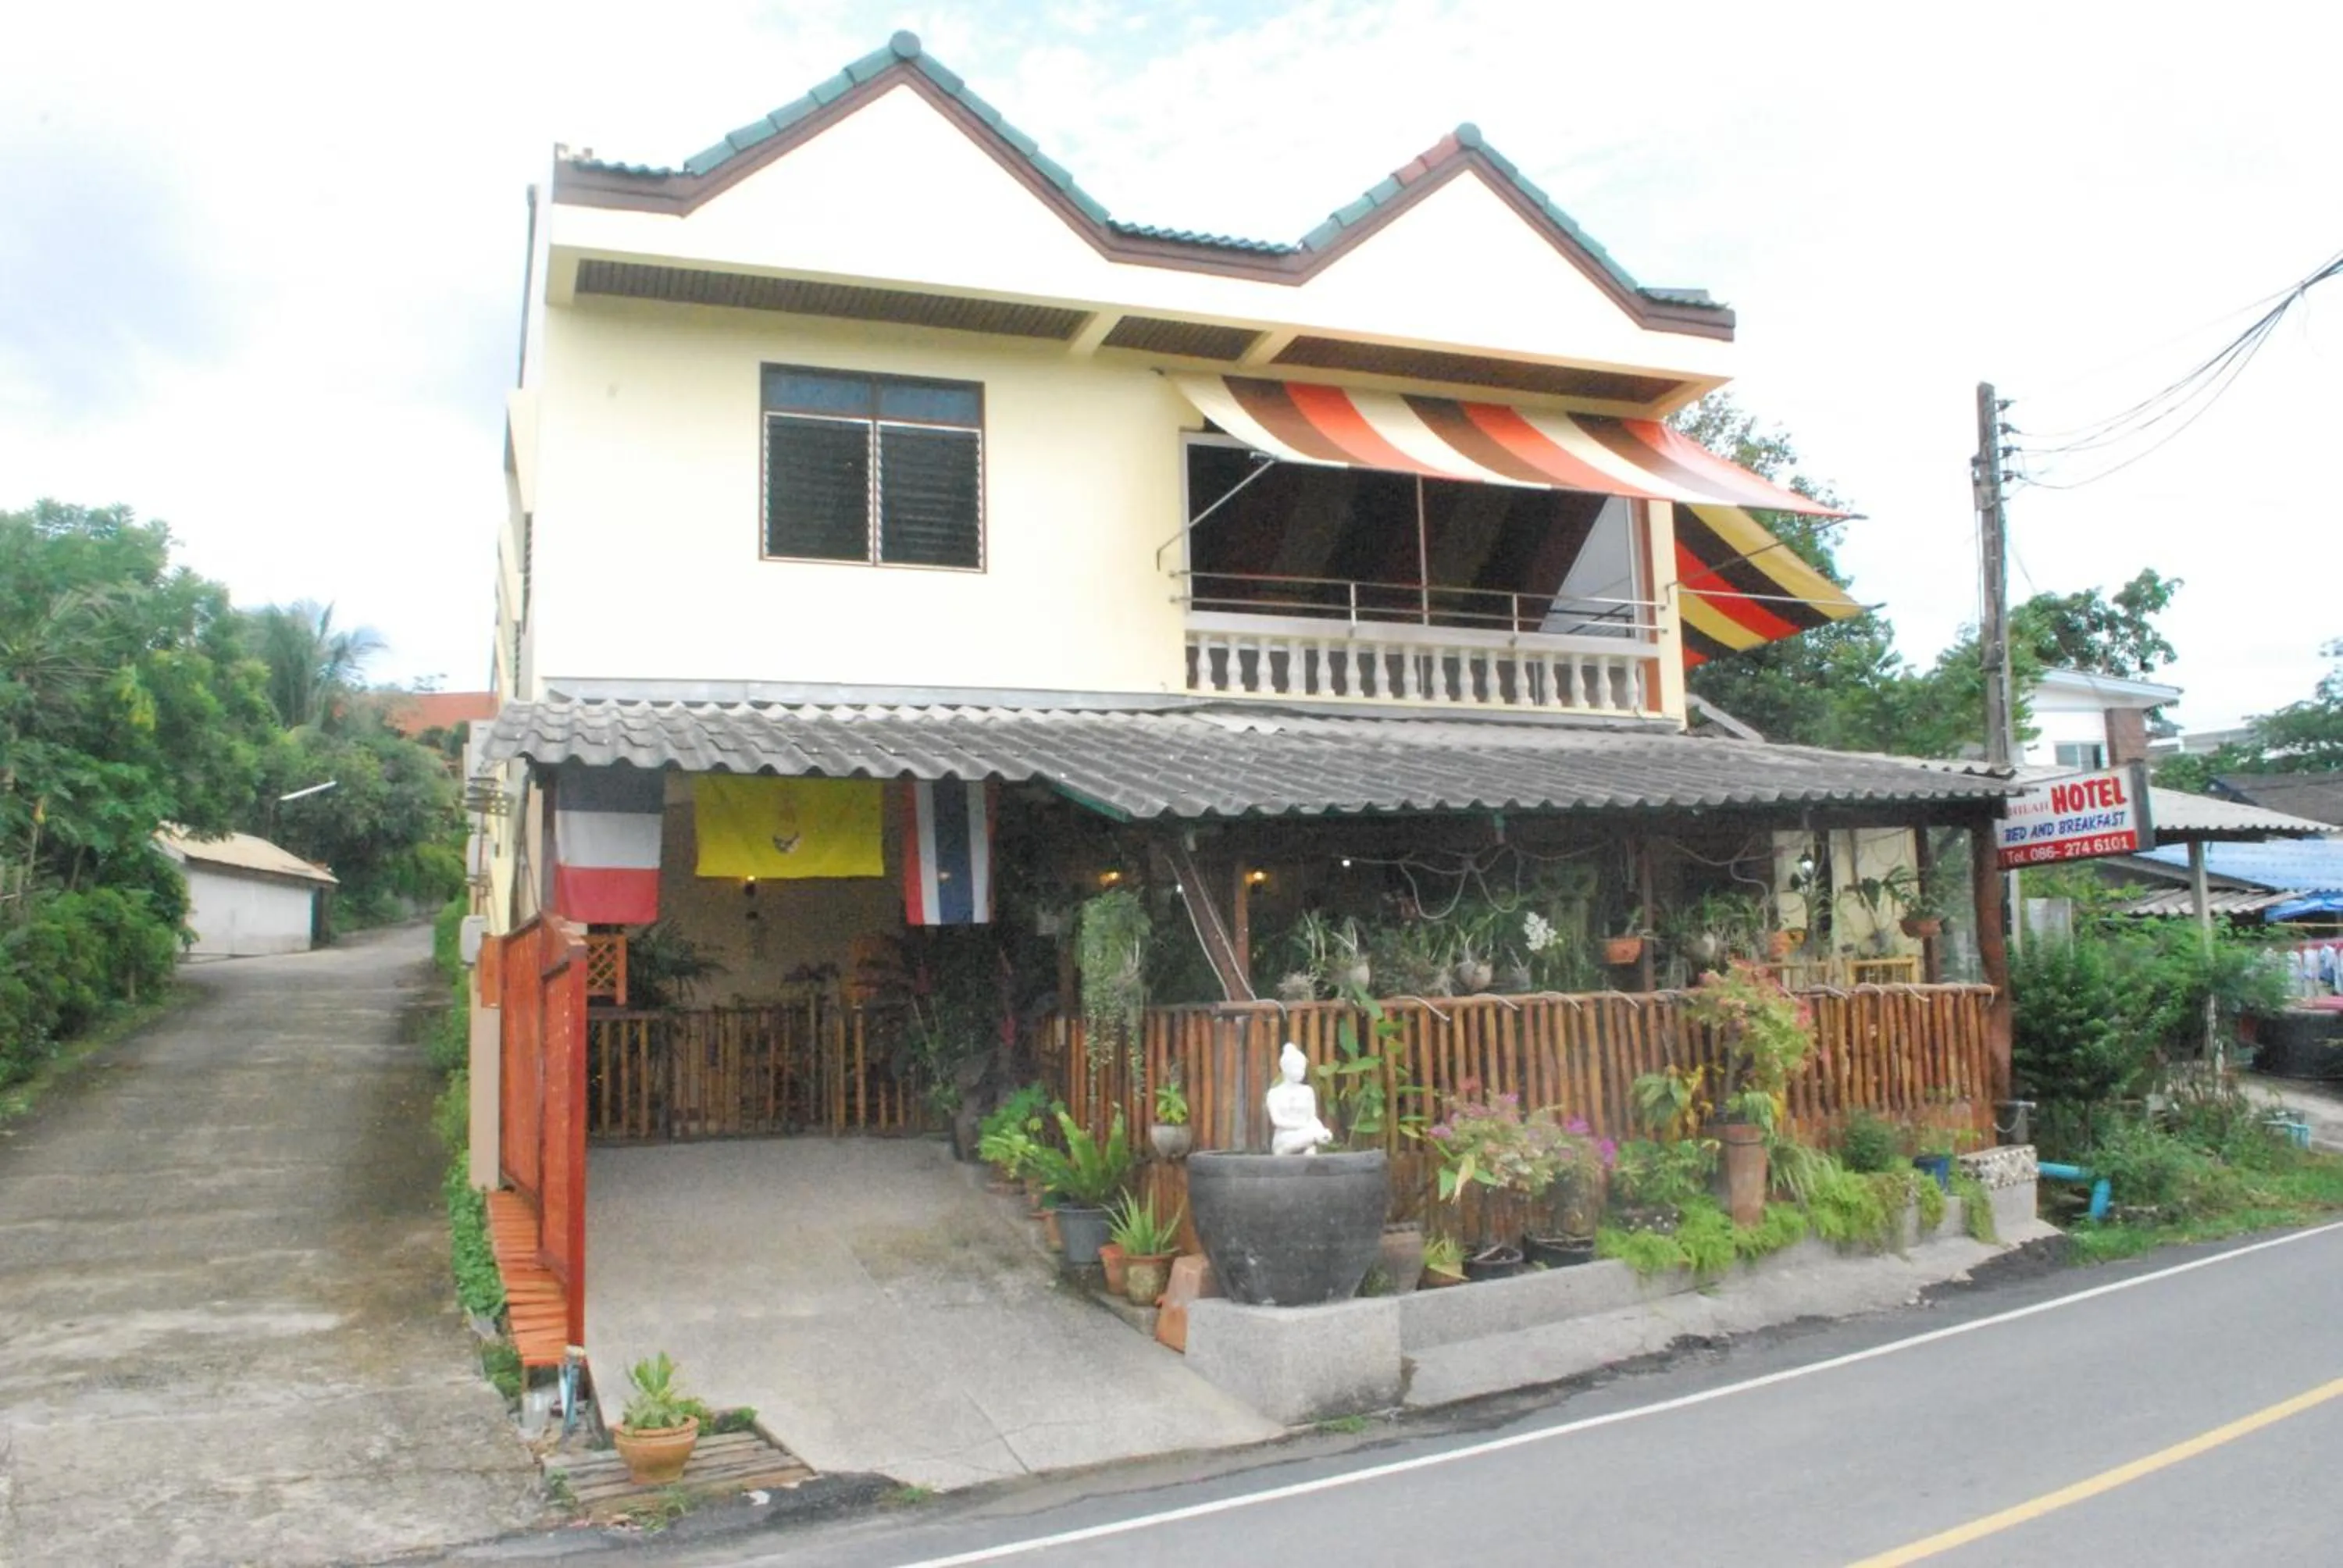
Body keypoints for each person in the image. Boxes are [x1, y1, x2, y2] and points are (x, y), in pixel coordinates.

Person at [1266, 1041, 1334, 1156]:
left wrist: (1321, 1130)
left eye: (1302, 1068)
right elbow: (1277, 1121)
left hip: (1305, 1133)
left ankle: (1313, 1140)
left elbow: (1312, 1117)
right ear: (1285, 1068)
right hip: (1285, 1137)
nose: (1300, 1072)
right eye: (1296, 1067)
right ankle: (1313, 1139)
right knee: (1310, 1138)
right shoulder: (1274, 1093)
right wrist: (1306, 1128)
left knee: (1312, 1146)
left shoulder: (1307, 1091)